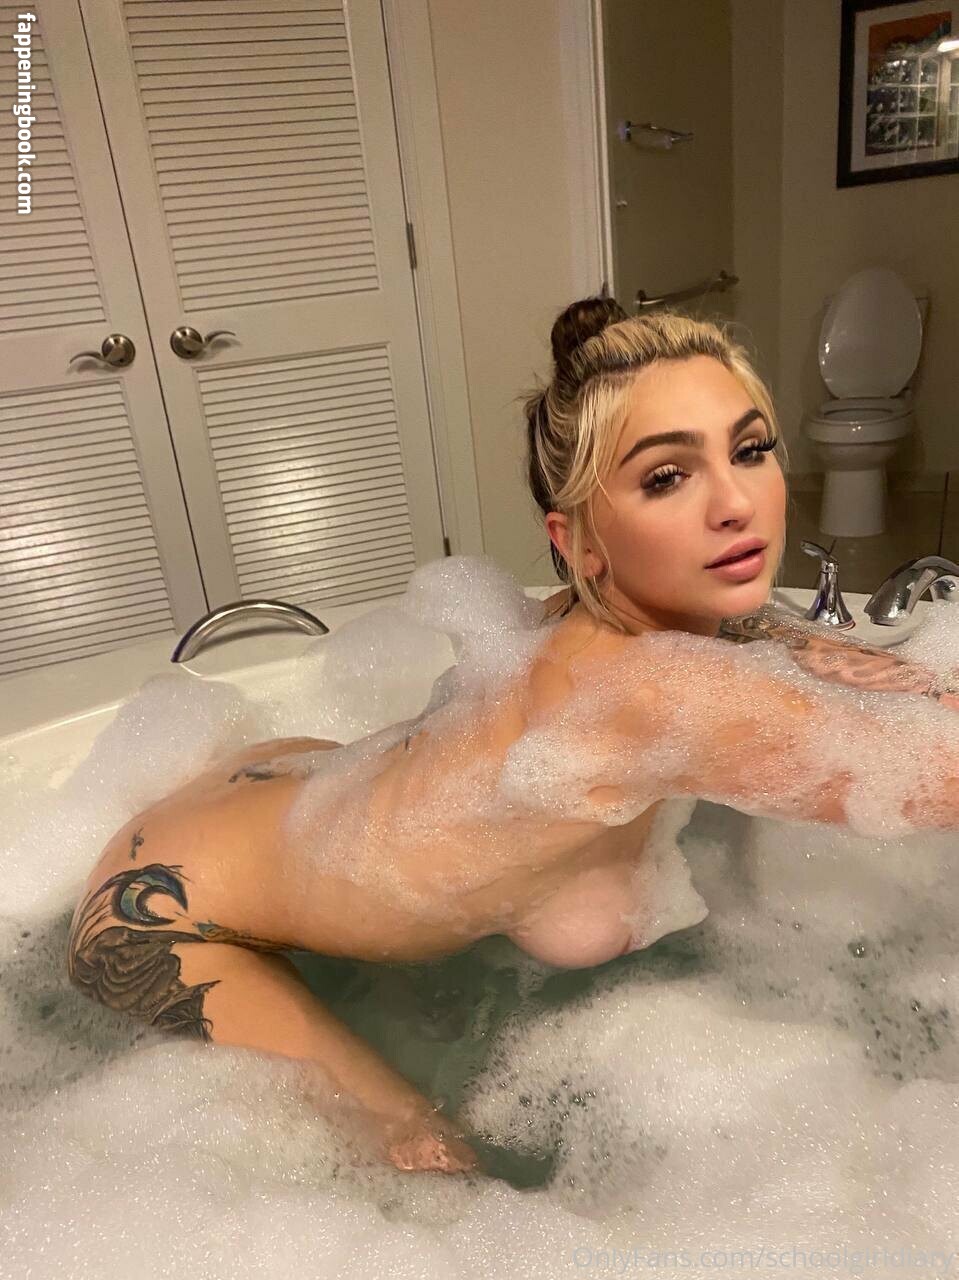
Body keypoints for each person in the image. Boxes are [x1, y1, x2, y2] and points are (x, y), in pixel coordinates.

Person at [66, 298, 959, 1176]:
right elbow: (926, 774)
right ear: (577, 542)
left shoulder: (650, 624)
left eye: (750, 449)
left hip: (276, 792)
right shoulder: (652, 694)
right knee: (427, 1160)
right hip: (154, 919)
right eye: (665, 477)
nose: (735, 503)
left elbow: (838, 664)